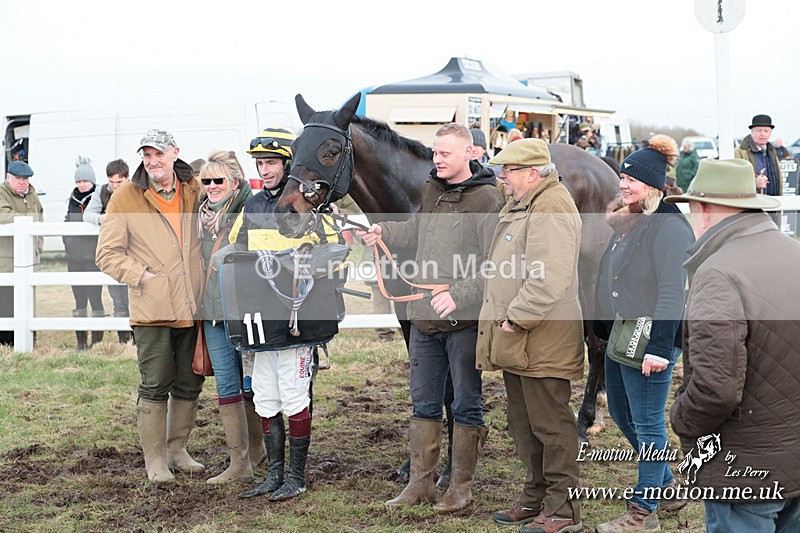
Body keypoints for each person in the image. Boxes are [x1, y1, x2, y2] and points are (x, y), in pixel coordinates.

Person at [360, 123, 504, 513]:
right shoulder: (430, 190)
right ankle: (420, 484)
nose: (437, 159)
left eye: (445, 153)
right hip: (423, 317)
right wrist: (382, 232)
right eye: (435, 152)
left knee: (466, 405)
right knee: (423, 404)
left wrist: (458, 294)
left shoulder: (488, 199)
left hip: (463, 323)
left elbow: (496, 264)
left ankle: (460, 488)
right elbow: (416, 233)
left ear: (469, 154)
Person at [666, 158, 800, 532]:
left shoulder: (718, 273)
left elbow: (715, 389)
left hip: (745, 466)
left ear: (703, 208)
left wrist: (681, 420)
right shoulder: (793, 253)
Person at [477, 139, 584, 533]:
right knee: (524, 424)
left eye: (508, 171)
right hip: (520, 339)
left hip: (540, 338)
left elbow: (548, 276)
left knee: (551, 426)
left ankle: (562, 510)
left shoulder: (550, 205)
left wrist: (515, 319)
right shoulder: (524, 203)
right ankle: (536, 497)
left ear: (532, 173)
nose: (502, 177)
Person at [593, 135, 694, 532]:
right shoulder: (634, 220)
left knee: (650, 424)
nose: (623, 184)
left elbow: (673, 292)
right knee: (620, 411)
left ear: (653, 184)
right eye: (622, 176)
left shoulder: (669, 227)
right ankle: (667, 483)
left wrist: (660, 348)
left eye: (631, 179)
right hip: (624, 331)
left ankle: (643, 512)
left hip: (651, 337)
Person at [231, 127, 337, 502]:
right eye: (261, 163)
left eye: (272, 162)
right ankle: (274, 474)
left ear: (288, 164)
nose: (266, 169)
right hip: (262, 321)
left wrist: (302, 260)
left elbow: (336, 251)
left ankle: (297, 475)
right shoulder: (252, 206)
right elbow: (235, 251)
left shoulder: (314, 209)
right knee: (265, 396)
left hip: (298, 322)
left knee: (294, 396)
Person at [96, 129, 205, 482]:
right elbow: (107, 254)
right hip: (153, 307)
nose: (152, 161)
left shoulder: (194, 188)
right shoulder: (126, 197)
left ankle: (177, 449)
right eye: (146, 155)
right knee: (156, 383)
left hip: (193, 304)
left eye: (158, 153)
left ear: (174, 152)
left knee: (190, 381)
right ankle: (155, 460)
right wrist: (143, 276)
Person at [195, 150, 256, 485]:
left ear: (234, 182)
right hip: (212, 311)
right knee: (226, 384)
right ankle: (239, 461)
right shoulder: (200, 215)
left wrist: (231, 249)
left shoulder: (251, 209)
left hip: (245, 309)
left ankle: (260, 453)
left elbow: (260, 244)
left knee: (252, 384)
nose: (212, 186)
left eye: (219, 180)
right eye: (206, 181)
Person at [84, 159, 132, 343]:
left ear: (127, 179)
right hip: (114, 251)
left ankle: (136, 340)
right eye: (111, 182)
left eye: (119, 182)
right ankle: (123, 340)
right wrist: (101, 219)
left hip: (135, 250)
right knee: (118, 298)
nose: (114, 186)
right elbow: (88, 214)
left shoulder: (136, 190)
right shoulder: (102, 191)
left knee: (134, 296)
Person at [63, 156, 105, 350]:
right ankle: (81, 341)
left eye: (85, 181)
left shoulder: (97, 199)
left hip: (92, 257)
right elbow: (66, 224)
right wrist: (68, 243)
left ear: (92, 181)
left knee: (95, 298)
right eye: (78, 181)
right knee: (79, 299)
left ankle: (97, 341)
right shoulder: (71, 200)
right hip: (74, 258)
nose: (81, 184)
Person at [0, 161, 43, 346]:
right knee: (6, 302)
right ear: (8, 177)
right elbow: (3, 216)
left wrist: (37, 250)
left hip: (28, 259)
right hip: (6, 259)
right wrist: (25, 221)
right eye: (17, 178)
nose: (22, 182)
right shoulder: (2, 194)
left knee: (27, 301)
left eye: (25, 178)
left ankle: (29, 341)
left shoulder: (33, 196)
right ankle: (5, 343)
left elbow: (40, 220)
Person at [734, 114, 783, 196]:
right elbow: (734, 178)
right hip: (752, 205)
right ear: (752, 132)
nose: (762, 134)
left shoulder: (772, 151)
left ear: (770, 133)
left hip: (773, 203)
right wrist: (754, 182)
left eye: (766, 131)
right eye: (759, 130)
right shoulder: (740, 151)